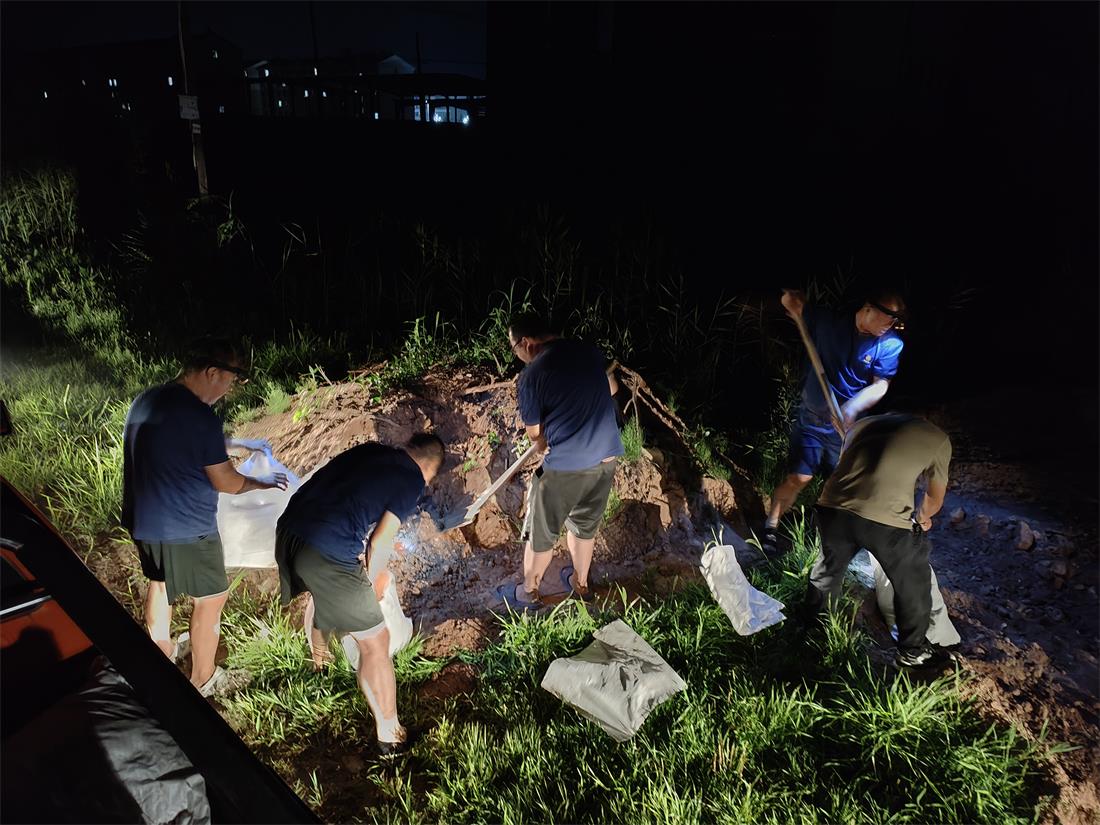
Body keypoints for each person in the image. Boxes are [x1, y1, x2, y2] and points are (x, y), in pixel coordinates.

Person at [122, 337, 288, 696]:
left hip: (143, 520)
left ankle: (161, 652)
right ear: (213, 372)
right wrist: (261, 483)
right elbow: (227, 482)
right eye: (230, 381)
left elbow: (181, 439)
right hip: (185, 527)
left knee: (161, 585)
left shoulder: (148, 399)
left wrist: (240, 444)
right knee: (211, 598)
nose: (228, 391)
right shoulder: (200, 416)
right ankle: (204, 678)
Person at [274, 433, 445, 756]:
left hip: (290, 532)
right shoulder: (412, 478)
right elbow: (380, 542)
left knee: (324, 589)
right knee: (376, 642)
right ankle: (391, 738)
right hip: (324, 547)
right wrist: (371, 581)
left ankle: (320, 665)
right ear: (429, 469)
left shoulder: (372, 450)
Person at [762, 288, 907, 555]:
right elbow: (794, 301)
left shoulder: (890, 344)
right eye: (889, 318)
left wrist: (853, 406)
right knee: (799, 477)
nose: (891, 325)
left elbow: (881, 385)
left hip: (846, 428)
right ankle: (770, 528)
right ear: (868, 309)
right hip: (812, 417)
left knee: (842, 488)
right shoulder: (829, 322)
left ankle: (824, 542)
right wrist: (789, 302)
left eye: (895, 321)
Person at [806, 412, 955, 669]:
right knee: (912, 579)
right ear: (926, 419)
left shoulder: (862, 425)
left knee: (828, 568)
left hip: (831, 508)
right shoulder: (938, 438)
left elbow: (848, 468)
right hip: (884, 521)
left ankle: (812, 629)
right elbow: (934, 498)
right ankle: (913, 653)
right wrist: (921, 518)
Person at [503, 313, 623, 607]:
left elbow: (535, 434)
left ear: (526, 343)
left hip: (566, 467)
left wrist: (544, 443)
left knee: (541, 534)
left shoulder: (532, 375)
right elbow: (612, 389)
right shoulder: (588, 351)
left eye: (514, 348)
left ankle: (528, 592)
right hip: (605, 459)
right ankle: (581, 585)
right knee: (584, 528)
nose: (517, 355)